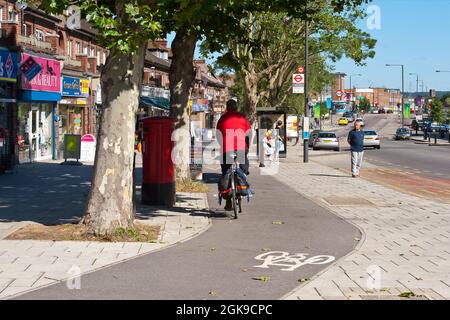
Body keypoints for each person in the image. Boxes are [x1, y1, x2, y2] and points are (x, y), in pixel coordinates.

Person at [216, 99, 251, 210]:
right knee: (244, 167)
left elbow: (218, 134)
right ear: (236, 107)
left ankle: (228, 201)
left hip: (227, 149)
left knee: (226, 170)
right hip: (241, 148)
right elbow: (248, 133)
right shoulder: (241, 117)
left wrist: (222, 145)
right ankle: (242, 183)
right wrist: (247, 147)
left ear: (227, 107)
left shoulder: (222, 118)